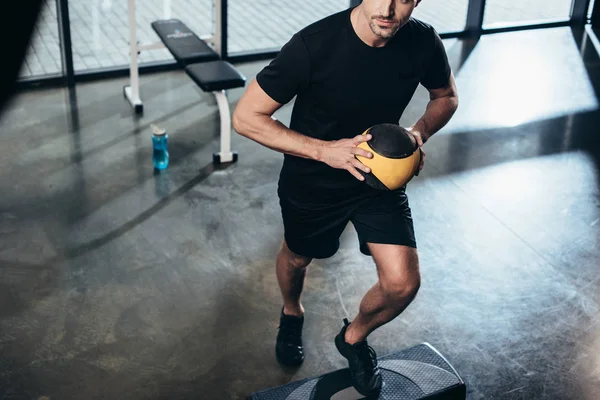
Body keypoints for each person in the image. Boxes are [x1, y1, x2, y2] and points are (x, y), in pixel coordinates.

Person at [232, 0, 458, 395]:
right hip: (314, 181)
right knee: (299, 257)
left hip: (379, 181)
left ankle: (353, 338)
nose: (388, 7)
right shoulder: (313, 46)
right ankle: (291, 311)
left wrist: (416, 136)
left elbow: (446, 96)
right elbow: (246, 117)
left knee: (402, 283)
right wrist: (325, 151)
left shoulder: (423, 41)